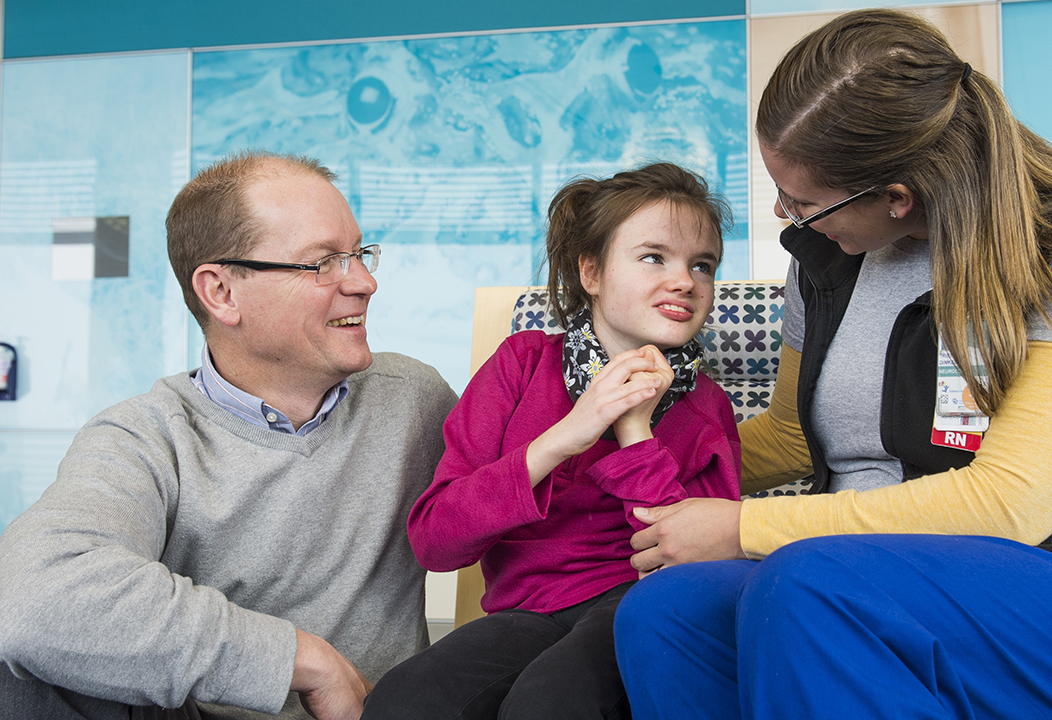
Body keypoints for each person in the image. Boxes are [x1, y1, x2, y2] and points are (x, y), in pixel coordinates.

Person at [617, 10, 1052, 720]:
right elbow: (790, 435)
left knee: (811, 583)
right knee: (665, 610)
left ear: (896, 197)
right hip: (859, 584)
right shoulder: (823, 257)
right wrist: (611, 454)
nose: (785, 213)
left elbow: (1010, 504)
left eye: (803, 201)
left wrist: (742, 528)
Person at [0, 151, 457, 720]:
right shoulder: (144, 437)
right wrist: (302, 658)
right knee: (24, 665)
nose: (364, 282)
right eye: (323, 263)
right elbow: (33, 599)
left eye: (359, 254)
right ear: (220, 293)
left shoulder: (413, 398)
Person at [361, 162, 741, 720]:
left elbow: (696, 565)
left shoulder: (707, 407)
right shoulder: (519, 366)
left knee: (550, 703)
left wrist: (634, 431)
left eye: (702, 265)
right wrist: (567, 435)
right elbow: (436, 543)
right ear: (591, 271)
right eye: (653, 257)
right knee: (401, 702)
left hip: (641, 604)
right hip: (527, 611)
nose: (685, 281)